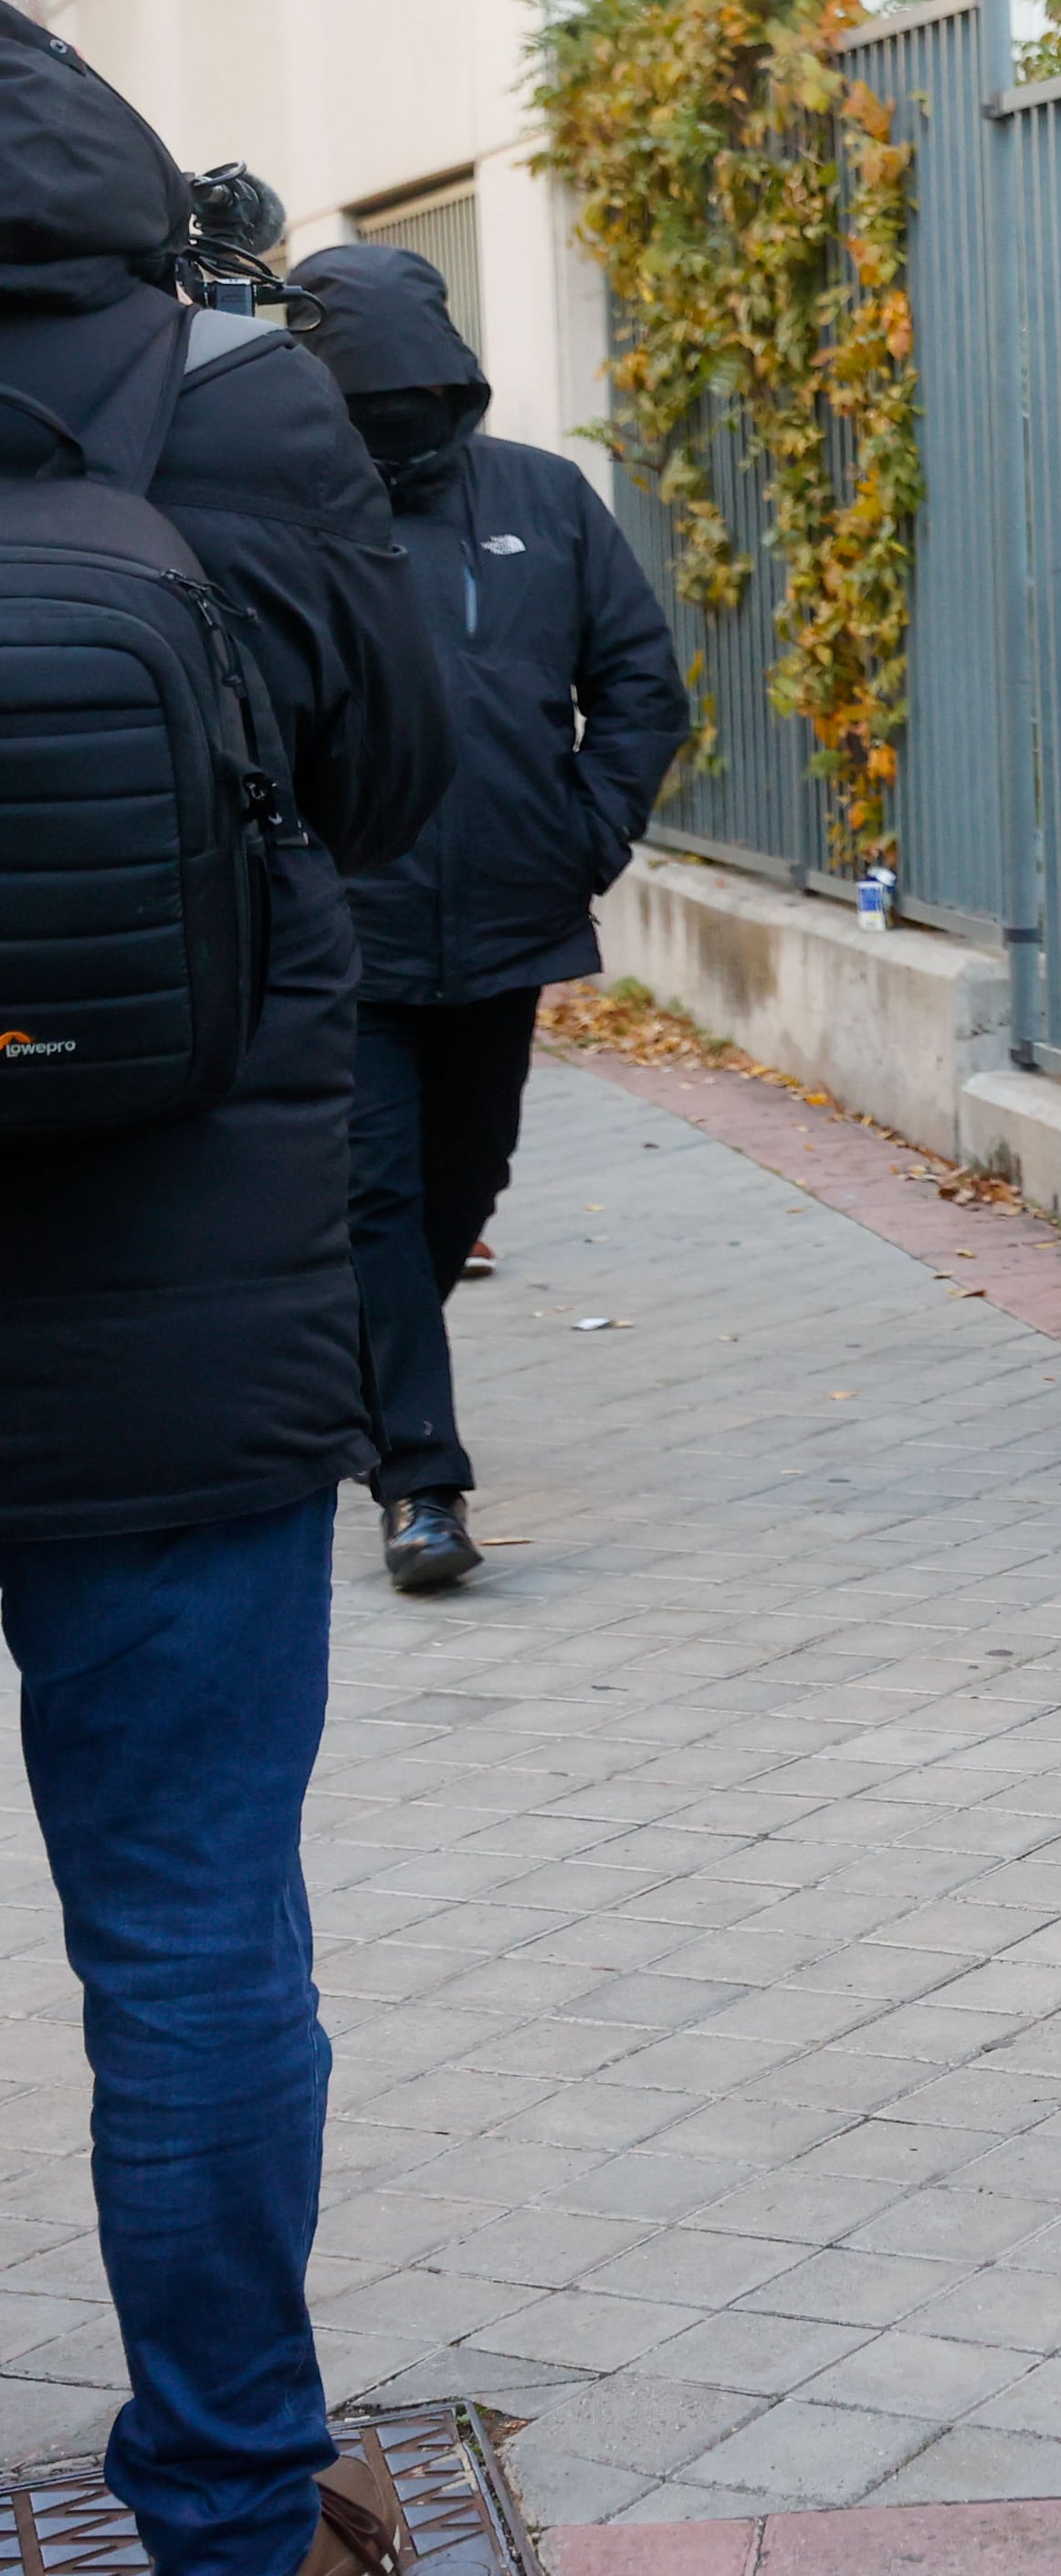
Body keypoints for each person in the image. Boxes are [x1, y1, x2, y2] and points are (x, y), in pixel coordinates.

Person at [0, 5, 446, 2576]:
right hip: (187, 1327)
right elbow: (392, 784)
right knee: (185, 1938)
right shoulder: (241, 402)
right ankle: (226, 2502)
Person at [284, 239, 691, 1596]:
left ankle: (368, 1378)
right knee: (377, 1195)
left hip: (512, 909)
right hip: (352, 923)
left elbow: (641, 685)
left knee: (468, 1180)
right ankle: (422, 1480)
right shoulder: (288, 510)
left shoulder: (546, 499)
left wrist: (586, 833)